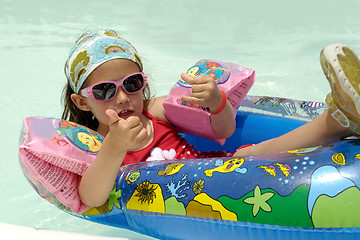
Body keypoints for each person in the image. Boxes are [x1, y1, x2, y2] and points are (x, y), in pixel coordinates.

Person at [62, 29, 359, 207]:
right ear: (82, 102)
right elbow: (91, 197)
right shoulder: (94, 143)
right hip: (184, 203)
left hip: (216, 171)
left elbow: (224, 130)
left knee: (251, 154)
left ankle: (337, 119)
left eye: (132, 84)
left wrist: (217, 104)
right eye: (104, 91)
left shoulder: (156, 110)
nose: (124, 97)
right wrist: (115, 145)